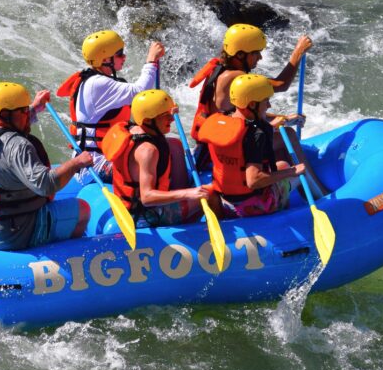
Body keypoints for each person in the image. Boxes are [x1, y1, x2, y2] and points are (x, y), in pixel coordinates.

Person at [0, 82, 95, 251]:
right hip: (10, 235)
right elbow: (46, 185)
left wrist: (35, 107)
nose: (28, 115)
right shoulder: (19, 146)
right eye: (24, 111)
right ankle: (65, 255)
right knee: (82, 209)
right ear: (7, 114)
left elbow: (7, 133)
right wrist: (76, 162)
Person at [189, 23, 313, 168]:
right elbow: (281, 84)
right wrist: (298, 52)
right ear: (240, 54)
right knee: (290, 135)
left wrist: (284, 119)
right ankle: (316, 188)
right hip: (223, 149)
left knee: (280, 136)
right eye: (255, 53)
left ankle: (286, 180)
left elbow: (241, 113)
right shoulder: (235, 77)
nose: (260, 57)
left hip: (213, 144)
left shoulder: (219, 70)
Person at [196, 73, 320, 218]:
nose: (269, 105)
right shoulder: (256, 135)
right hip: (253, 206)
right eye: (266, 101)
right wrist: (292, 172)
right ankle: (320, 201)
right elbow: (254, 181)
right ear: (253, 104)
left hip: (225, 202)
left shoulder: (221, 123)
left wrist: (272, 126)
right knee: (297, 171)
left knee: (282, 164)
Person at [56, 30, 164, 178]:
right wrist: (151, 60)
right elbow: (140, 90)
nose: (124, 57)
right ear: (106, 59)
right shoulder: (98, 84)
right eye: (120, 54)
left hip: (101, 158)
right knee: (154, 158)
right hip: (94, 167)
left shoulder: (94, 80)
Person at [101, 90, 217, 228]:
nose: (172, 119)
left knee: (174, 144)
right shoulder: (148, 151)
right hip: (145, 215)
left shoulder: (134, 129)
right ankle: (204, 228)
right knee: (211, 193)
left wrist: (167, 109)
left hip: (134, 204)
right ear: (149, 120)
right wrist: (188, 193)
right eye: (166, 116)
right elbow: (147, 197)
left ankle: (181, 195)